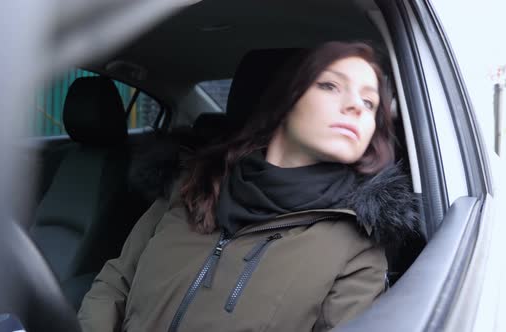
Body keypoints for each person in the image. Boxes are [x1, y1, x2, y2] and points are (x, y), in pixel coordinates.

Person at [77, 41, 420, 332]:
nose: (355, 106)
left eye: (370, 102)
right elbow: (116, 282)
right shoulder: (191, 183)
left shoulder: (356, 246)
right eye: (330, 85)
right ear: (286, 98)